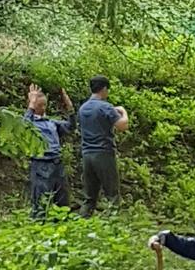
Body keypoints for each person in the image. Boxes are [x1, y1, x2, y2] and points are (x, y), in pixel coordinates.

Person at [72, 75, 129, 215]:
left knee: (89, 197)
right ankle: (114, 223)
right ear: (104, 89)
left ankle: (83, 221)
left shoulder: (83, 108)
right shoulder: (105, 107)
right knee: (112, 195)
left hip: (87, 154)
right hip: (104, 153)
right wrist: (123, 112)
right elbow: (123, 126)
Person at [21, 81, 70, 218]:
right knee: (41, 200)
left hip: (57, 163)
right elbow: (24, 125)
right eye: (39, 105)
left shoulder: (51, 122)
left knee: (62, 200)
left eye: (44, 105)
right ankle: (38, 222)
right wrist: (31, 103)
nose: (43, 108)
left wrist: (69, 107)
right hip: (41, 163)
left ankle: (61, 223)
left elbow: (70, 126)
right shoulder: (30, 122)